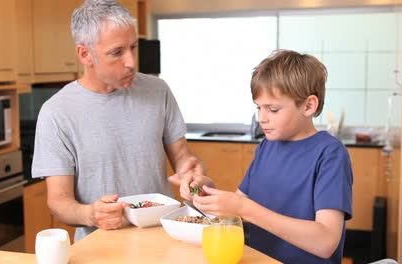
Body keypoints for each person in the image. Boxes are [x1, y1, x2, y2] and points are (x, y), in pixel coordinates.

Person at [32, 0, 204, 242]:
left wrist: (192, 177)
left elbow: (183, 158)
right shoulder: (56, 112)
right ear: (85, 54)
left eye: (133, 47)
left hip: (163, 238)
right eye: (117, 52)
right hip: (99, 247)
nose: (131, 62)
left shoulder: (158, 90)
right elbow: (58, 201)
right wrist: (91, 214)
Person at [182, 50, 353, 264]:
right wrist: (203, 191)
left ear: (308, 105)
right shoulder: (267, 146)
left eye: (273, 109)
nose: (262, 118)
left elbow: (325, 242)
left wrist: (243, 208)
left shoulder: (329, 154)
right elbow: (237, 209)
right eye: (258, 107)